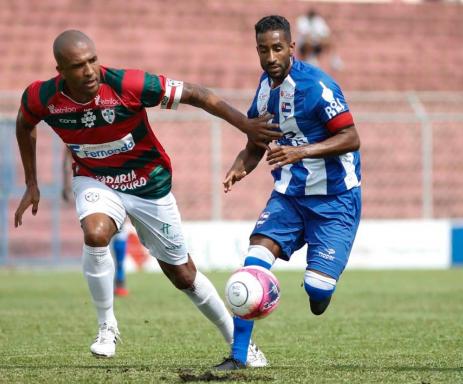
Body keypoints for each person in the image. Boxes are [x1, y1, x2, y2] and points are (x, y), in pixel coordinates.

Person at [14, 30, 282, 362]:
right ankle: (106, 326)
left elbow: (197, 94)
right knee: (95, 234)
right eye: (78, 65)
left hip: (148, 183)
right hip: (95, 179)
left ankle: (241, 345)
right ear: (61, 71)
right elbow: (24, 124)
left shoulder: (130, 84)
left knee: (183, 274)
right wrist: (31, 182)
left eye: (92, 60)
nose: (89, 71)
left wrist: (246, 125)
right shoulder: (42, 97)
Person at [214, 15, 361, 370]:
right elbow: (256, 141)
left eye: (277, 48)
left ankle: (320, 282)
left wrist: (300, 151)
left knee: (318, 293)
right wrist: (240, 166)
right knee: (251, 268)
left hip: (336, 198)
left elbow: (351, 138)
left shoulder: (317, 86)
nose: (270, 57)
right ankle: (239, 357)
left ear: (291, 47)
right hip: (289, 196)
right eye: (263, 50)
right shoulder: (264, 90)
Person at [64, 149, 130, 297]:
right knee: (95, 233)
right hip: (90, 183)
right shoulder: (73, 129)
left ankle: (119, 277)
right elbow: (68, 157)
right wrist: (66, 184)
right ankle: (103, 283)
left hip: (114, 179)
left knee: (119, 228)